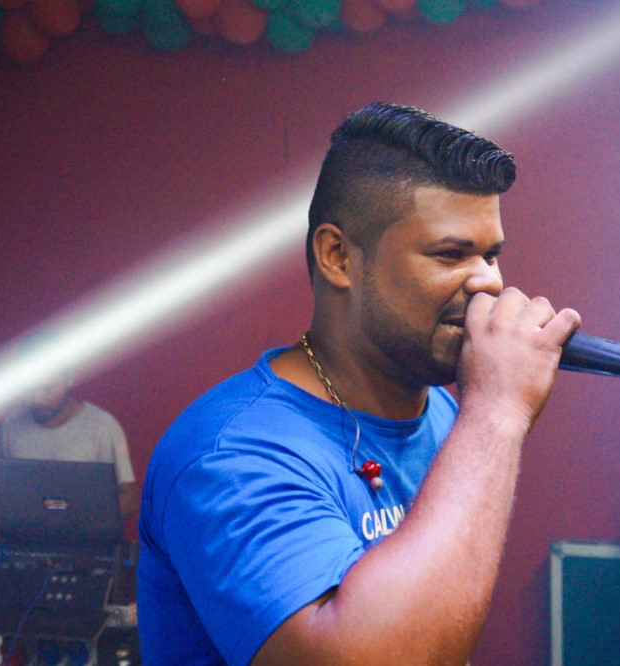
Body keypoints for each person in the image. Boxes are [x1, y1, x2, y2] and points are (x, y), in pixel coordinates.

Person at [136, 102, 581, 665]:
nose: (488, 283)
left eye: (491, 255)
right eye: (451, 254)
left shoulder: (441, 414)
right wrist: (495, 414)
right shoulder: (231, 457)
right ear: (338, 256)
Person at [0, 337, 140, 524]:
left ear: (69, 377)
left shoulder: (102, 426)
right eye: (28, 389)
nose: (36, 399)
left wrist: (82, 526)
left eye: (47, 389)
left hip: (85, 540)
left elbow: (128, 498)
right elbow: (4, 500)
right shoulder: (11, 426)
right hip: (27, 539)